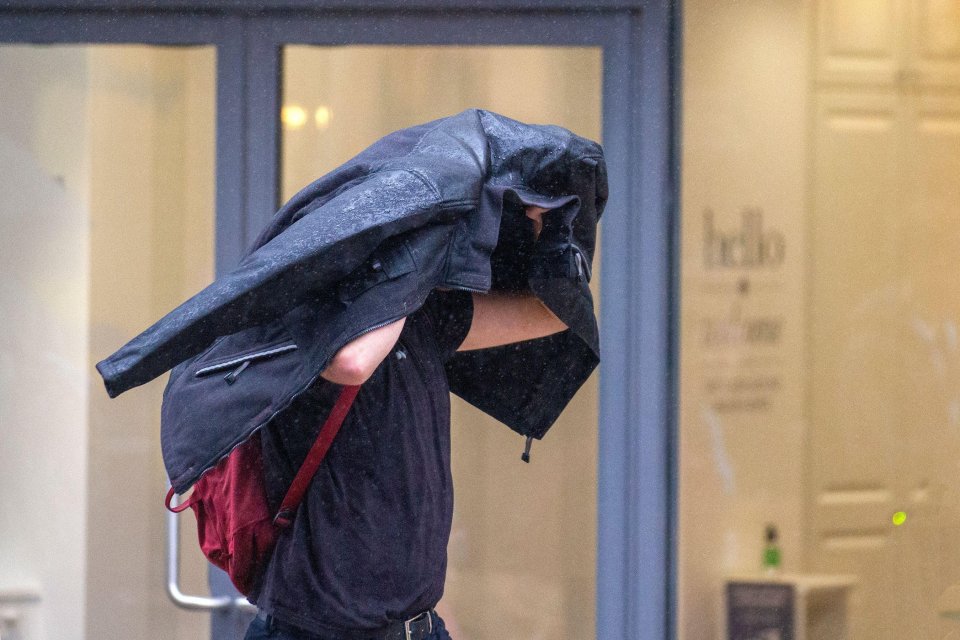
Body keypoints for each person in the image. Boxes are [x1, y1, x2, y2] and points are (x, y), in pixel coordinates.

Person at [244, 206, 568, 640]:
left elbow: (552, 314)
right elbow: (353, 363)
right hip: (313, 630)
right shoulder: (301, 318)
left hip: (417, 628)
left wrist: (550, 231)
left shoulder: (424, 318)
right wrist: (413, 267)